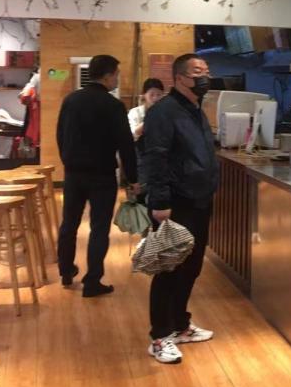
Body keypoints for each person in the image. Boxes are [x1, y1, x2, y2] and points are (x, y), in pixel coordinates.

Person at [142, 54, 218, 364]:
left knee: (191, 267)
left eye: (207, 70)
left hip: (199, 200)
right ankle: (160, 337)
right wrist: (160, 202)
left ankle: (180, 325)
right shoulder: (164, 111)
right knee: (169, 269)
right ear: (180, 78)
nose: (205, 76)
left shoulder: (195, 109)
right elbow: (155, 157)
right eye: (198, 71)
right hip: (175, 203)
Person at [56, 54, 137, 297]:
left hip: (74, 173)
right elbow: (126, 144)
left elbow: (61, 135)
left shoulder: (71, 100)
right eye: (116, 74)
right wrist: (133, 178)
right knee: (99, 228)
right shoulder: (113, 106)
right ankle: (92, 282)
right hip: (102, 175)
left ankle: (66, 271)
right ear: (108, 75)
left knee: (69, 224)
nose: (117, 79)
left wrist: (68, 161)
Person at [128, 78, 165, 200]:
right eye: (152, 94)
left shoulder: (166, 113)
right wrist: (150, 117)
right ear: (144, 95)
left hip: (161, 159)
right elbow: (133, 133)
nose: (155, 98)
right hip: (141, 158)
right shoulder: (136, 112)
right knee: (141, 193)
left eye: (159, 94)